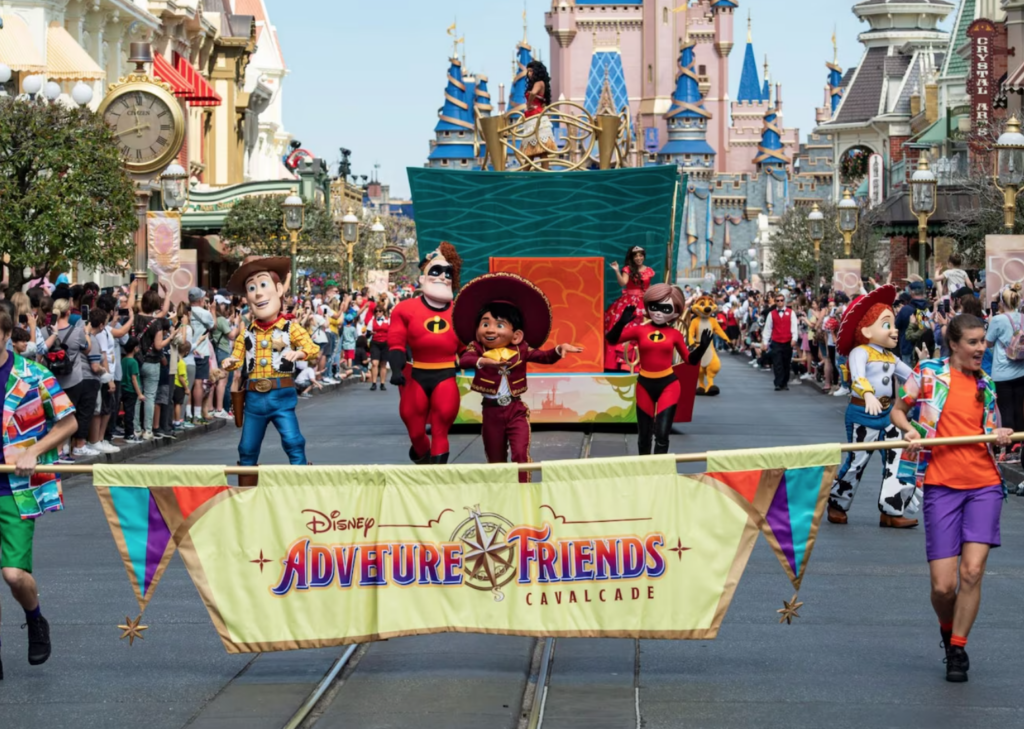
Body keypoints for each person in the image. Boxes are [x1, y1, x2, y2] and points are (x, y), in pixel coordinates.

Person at [891, 314, 1013, 683]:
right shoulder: (927, 373)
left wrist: (1001, 434)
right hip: (941, 486)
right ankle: (948, 629)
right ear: (955, 343)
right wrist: (911, 431)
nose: (982, 348)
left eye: (983, 342)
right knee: (943, 586)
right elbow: (898, 410)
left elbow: (992, 427)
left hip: (984, 485)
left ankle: (958, 648)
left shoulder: (987, 383)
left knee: (972, 572)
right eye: (974, 342)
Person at [0, 310, 77, 681]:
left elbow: (69, 422)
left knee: (15, 576)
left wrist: (34, 450)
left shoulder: (32, 375)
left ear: (3, 335)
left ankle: (35, 619)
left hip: (16, 490)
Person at [454, 273, 584, 481]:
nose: (490, 330)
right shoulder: (477, 349)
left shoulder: (520, 349)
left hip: (516, 411)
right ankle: (502, 496)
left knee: (520, 456)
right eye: (485, 324)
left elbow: (544, 357)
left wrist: (559, 349)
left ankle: (524, 492)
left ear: (516, 335)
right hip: (491, 413)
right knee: (496, 463)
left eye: (499, 325)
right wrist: (483, 361)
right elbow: (465, 360)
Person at [827, 286, 920, 528]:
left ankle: (892, 510)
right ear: (866, 330)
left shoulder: (891, 357)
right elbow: (857, 378)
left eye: (893, 324)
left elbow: (911, 376)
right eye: (887, 325)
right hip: (863, 414)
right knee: (857, 461)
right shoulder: (861, 352)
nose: (894, 331)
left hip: (889, 416)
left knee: (896, 460)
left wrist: (928, 373)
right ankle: (837, 503)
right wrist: (867, 394)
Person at [221, 257, 319, 484]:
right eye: (251, 288)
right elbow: (237, 357)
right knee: (246, 448)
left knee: (293, 441)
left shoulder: (289, 326)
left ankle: (301, 488)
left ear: (277, 289)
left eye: (262, 285)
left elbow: (311, 348)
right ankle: (246, 494)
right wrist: (229, 363)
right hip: (254, 399)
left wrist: (299, 354)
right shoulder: (247, 333)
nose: (257, 294)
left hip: (281, 397)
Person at [607, 284, 712, 455]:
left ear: (675, 313)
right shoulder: (640, 330)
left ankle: (660, 470)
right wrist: (621, 322)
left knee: (662, 434)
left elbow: (689, 361)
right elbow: (611, 340)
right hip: (644, 385)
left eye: (665, 308)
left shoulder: (675, 334)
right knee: (644, 435)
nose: (658, 312)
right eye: (654, 306)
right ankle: (645, 470)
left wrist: (702, 348)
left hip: (668, 385)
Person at [388, 242, 464, 465]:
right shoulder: (405, 309)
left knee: (441, 429)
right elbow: (396, 343)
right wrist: (395, 369)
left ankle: (436, 479)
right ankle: (421, 456)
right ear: (423, 277)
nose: (442, 276)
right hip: (417, 374)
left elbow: (466, 346)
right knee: (415, 430)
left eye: (448, 272)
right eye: (436, 271)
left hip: (446, 375)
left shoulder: (459, 312)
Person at [985, 284, 1024, 463]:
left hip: (1002, 371)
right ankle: (1020, 445)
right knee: (1019, 408)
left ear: (1002, 301)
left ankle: (1009, 449)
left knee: (1006, 408)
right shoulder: (1023, 317)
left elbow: (989, 343)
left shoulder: (998, 320)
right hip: (1021, 370)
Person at [603, 245, 655, 371]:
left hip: (644, 302)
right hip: (629, 302)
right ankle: (625, 362)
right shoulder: (627, 269)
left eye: (640, 255)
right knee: (625, 328)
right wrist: (616, 270)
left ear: (644, 256)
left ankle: (645, 362)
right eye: (636, 256)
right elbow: (622, 283)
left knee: (646, 329)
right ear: (632, 257)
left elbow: (650, 287)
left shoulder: (649, 270)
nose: (638, 258)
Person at [520, 60, 557, 164]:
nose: (529, 73)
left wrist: (528, 105)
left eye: (531, 71)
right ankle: (526, 175)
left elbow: (533, 94)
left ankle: (540, 175)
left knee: (542, 151)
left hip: (536, 119)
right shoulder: (540, 84)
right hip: (532, 119)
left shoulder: (538, 83)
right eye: (528, 71)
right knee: (532, 151)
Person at [763, 292, 799, 391]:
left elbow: (794, 327)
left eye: (781, 300)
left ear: (784, 301)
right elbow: (768, 329)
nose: (780, 302)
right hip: (776, 341)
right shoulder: (771, 314)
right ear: (775, 302)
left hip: (787, 341)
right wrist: (765, 342)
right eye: (778, 301)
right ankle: (778, 383)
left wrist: (794, 338)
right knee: (777, 363)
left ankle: (785, 383)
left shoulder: (791, 313)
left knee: (786, 363)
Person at [896, 281, 930, 366]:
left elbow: (896, 325)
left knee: (908, 376)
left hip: (908, 348)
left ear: (912, 292)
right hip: (927, 348)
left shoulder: (906, 310)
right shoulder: (930, 308)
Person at [120, 337, 144, 444]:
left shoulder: (123, 360)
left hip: (123, 388)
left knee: (126, 411)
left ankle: (128, 432)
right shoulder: (134, 362)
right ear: (135, 348)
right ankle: (129, 434)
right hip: (131, 390)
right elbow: (134, 379)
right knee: (130, 413)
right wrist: (140, 394)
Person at [369, 304, 390, 391]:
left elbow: (391, 331)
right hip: (375, 343)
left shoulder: (388, 320)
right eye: (376, 311)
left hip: (385, 343)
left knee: (383, 364)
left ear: (383, 312)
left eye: (380, 311)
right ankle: (374, 383)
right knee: (374, 363)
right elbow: (367, 333)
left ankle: (382, 383)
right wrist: (371, 333)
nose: (378, 313)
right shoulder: (372, 321)